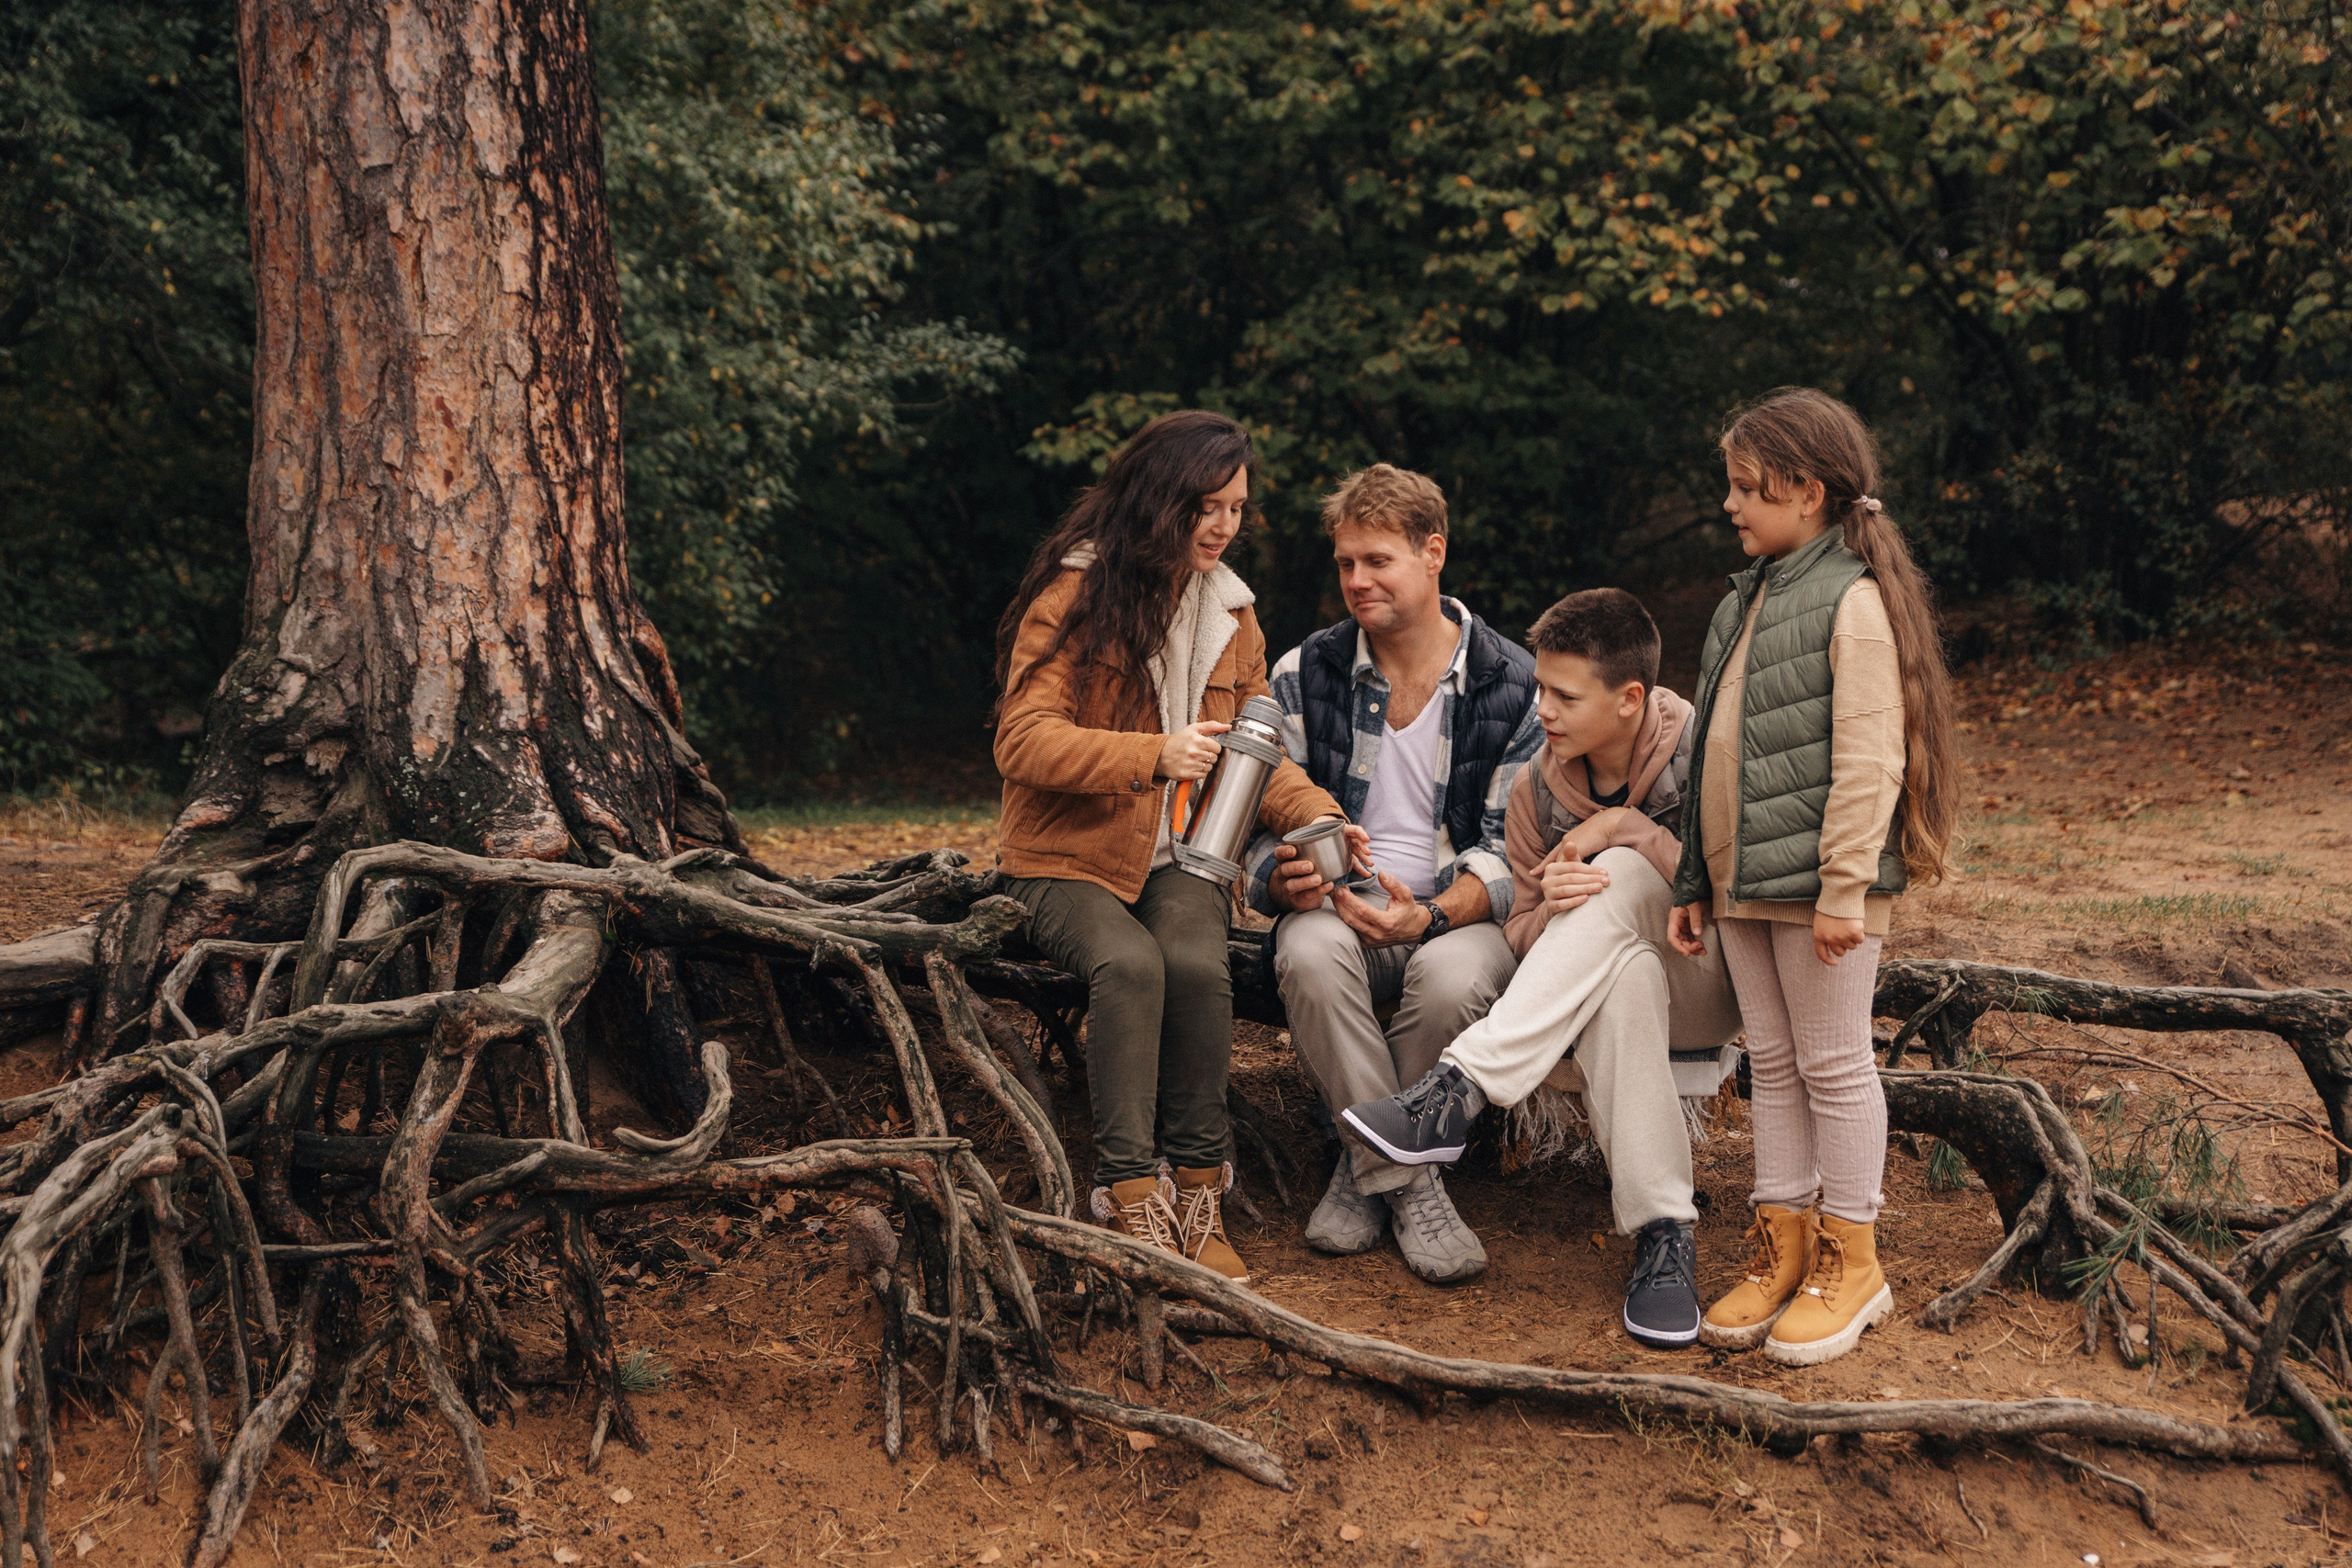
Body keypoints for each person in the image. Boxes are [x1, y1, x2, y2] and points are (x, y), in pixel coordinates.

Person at [993, 410, 1343, 1285]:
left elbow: (1258, 751)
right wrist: (1153, 755)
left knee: (1192, 959)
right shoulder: (1074, 598)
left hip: (1181, 855)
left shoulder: (1234, 615)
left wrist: (1321, 816)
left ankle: (1198, 1188)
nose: (1224, 526)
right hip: (1062, 856)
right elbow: (1022, 741)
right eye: (1208, 506)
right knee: (1131, 966)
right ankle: (1128, 1193)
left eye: (1236, 509)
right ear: (1161, 499)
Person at [1340, 589, 1744, 1346]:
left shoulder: (1702, 749)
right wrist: (1552, 910)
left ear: (1630, 699)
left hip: (1713, 980)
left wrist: (1631, 830)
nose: (1544, 710)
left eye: (1564, 694)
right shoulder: (1535, 789)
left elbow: (1741, 892)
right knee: (1621, 975)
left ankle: (1458, 1088)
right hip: (1612, 995)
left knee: (1619, 866)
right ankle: (1664, 1236)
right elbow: (1523, 932)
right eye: (1540, 690)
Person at [1668, 387, 1958, 1366]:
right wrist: (1688, 883)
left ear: (1808, 490)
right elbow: (1710, 747)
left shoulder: (1852, 599)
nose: (1731, 506)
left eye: (1747, 489)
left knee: (1834, 1065)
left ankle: (1854, 1260)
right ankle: (1780, 1247)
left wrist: (1842, 889)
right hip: (1743, 883)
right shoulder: (1744, 599)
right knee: (1776, 1067)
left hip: (1823, 892)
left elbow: (1869, 757)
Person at [1243, 464, 1542, 1283]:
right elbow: (1255, 827)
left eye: (1377, 560)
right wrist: (1281, 878)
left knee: (1453, 979)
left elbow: (1517, 851)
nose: (1356, 580)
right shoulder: (1308, 672)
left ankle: (1361, 1168)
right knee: (1304, 949)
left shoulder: (1514, 684)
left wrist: (1433, 914)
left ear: (1433, 552)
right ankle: (1409, 1184)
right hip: (1342, 904)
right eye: (1345, 563)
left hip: (1458, 912)